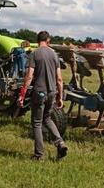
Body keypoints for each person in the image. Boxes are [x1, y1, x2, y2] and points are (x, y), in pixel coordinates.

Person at [18, 31, 68, 160]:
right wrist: (60, 97)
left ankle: (39, 155)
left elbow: (29, 76)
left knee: (37, 122)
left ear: (38, 40)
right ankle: (60, 143)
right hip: (52, 92)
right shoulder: (54, 54)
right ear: (48, 40)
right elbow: (59, 79)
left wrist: (22, 94)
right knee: (47, 118)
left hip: (39, 92)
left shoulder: (34, 54)